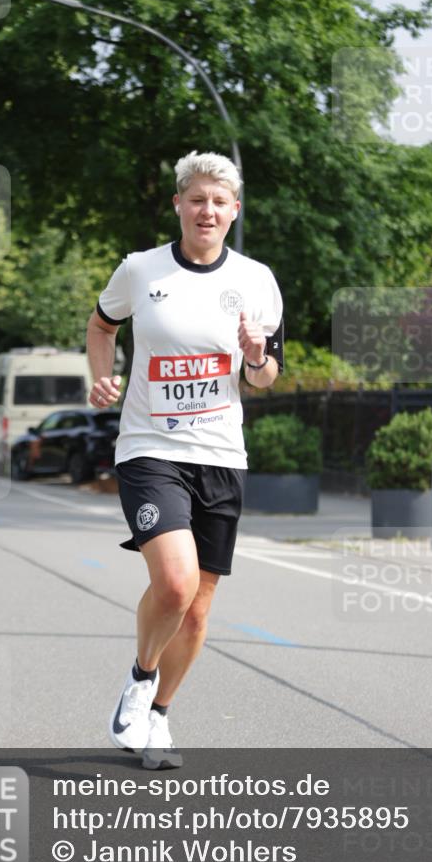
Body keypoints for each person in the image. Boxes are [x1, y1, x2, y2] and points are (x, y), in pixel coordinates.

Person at [86, 150, 283, 770]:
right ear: (179, 204)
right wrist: (101, 375)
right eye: (197, 199)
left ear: (234, 212)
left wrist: (256, 356)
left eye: (219, 202)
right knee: (173, 585)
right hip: (150, 450)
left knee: (198, 608)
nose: (207, 210)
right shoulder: (141, 270)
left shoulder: (257, 280)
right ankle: (142, 677)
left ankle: (160, 717)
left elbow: (266, 378)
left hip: (221, 455)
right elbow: (101, 326)